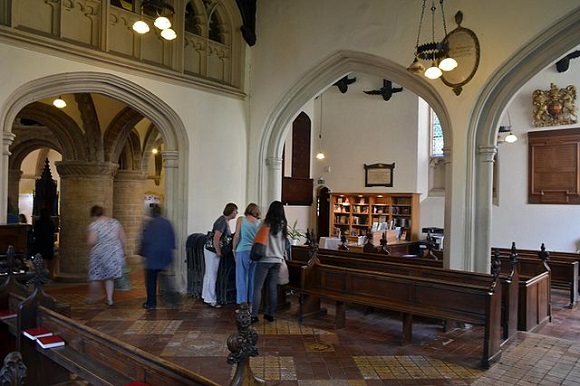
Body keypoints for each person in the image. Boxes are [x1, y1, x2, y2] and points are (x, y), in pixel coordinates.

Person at [251, 200, 287, 324]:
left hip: (265, 259)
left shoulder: (265, 223)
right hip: (277, 260)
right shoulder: (283, 225)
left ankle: (254, 315)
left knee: (257, 287)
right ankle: (270, 314)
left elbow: (257, 240)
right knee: (272, 288)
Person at [139, 204, 178, 310]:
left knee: (151, 281)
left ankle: (151, 303)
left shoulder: (149, 224)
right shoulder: (167, 223)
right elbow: (172, 238)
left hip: (152, 256)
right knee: (165, 278)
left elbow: (145, 239)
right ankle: (173, 299)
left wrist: (142, 252)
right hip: (165, 255)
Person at [86, 205, 126, 306]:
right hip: (114, 253)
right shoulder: (115, 222)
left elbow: (92, 240)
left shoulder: (95, 224)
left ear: (94, 215)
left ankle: (95, 295)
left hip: (100, 253)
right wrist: (123, 251)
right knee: (109, 277)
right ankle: (109, 298)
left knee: (95, 276)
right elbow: (122, 238)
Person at [202, 202, 238, 308]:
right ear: (231, 211)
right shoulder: (222, 221)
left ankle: (206, 296)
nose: (236, 213)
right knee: (211, 273)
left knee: (209, 273)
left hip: (210, 249)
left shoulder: (223, 220)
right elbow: (216, 237)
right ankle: (211, 299)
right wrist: (218, 251)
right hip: (212, 250)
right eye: (235, 210)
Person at [232, 203, 261, 305]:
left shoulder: (241, 219)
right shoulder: (259, 222)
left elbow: (236, 236)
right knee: (253, 279)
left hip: (242, 250)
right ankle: (252, 305)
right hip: (255, 252)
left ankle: (242, 304)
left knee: (241, 278)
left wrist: (233, 249)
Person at [32, 207, 56, 275]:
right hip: (48, 243)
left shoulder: (38, 223)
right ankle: (49, 274)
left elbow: (35, 233)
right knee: (48, 260)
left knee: (41, 260)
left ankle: (40, 274)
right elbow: (52, 233)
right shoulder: (51, 223)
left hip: (40, 243)